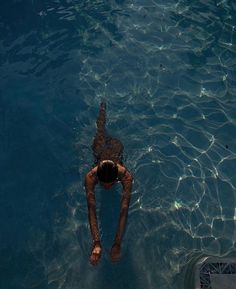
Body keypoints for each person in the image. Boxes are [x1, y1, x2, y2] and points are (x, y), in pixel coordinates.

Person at [84, 102, 133, 266]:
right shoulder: (90, 177)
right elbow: (91, 209)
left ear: (117, 178)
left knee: (104, 138)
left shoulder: (126, 177)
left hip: (116, 148)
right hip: (100, 150)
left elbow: (124, 210)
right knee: (99, 133)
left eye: (110, 185)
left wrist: (118, 242)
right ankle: (102, 106)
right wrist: (96, 242)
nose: (106, 188)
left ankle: (104, 105)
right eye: (104, 185)